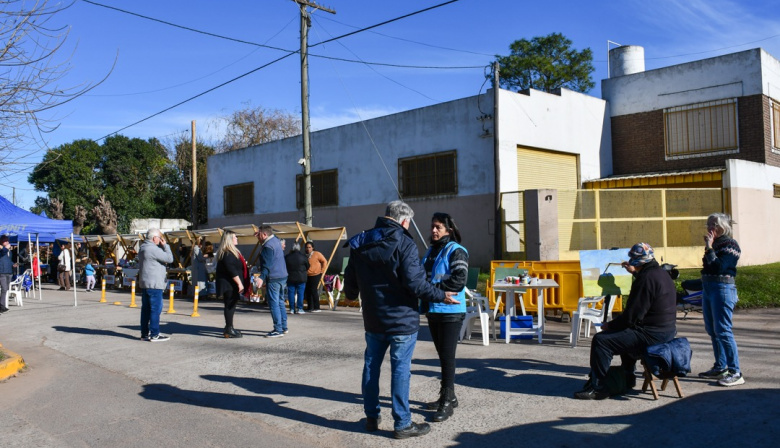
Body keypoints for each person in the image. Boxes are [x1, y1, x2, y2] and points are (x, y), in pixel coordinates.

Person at [344, 200, 459, 439]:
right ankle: (402, 423)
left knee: (371, 366)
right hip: (402, 319)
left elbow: (350, 281)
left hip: (373, 318)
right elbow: (416, 283)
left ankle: (371, 417)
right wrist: (441, 296)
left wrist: (352, 294)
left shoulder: (361, 240)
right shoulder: (405, 243)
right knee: (400, 370)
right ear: (404, 221)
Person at [574, 242, 677, 400]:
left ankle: (598, 387)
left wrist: (609, 325)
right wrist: (634, 272)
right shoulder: (660, 273)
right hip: (667, 331)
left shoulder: (646, 279)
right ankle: (629, 377)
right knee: (624, 334)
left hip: (652, 335)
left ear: (639, 261)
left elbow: (631, 317)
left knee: (601, 341)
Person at [420, 212, 469, 422]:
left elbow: (459, 280)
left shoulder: (456, 251)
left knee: (447, 356)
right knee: (442, 355)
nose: (433, 230)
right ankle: (449, 395)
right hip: (433, 309)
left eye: (438, 227)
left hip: (451, 311)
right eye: (432, 226)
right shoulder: (431, 251)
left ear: (448, 229)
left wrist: (432, 289)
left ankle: (447, 401)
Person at [698, 213, 744, 387]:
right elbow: (708, 267)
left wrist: (709, 248)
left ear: (722, 227)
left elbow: (719, 267)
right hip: (709, 288)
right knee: (712, 330)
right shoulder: (715, 245)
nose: (710, 228)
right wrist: (709, 248)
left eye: (713, 225)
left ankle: (735, 372)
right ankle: (720, 367)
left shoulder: (730, 244)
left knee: (723, 330)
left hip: (723, 288)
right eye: (708, 224)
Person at [137, 228, 174, 342]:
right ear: (154, 238)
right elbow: (170, 258)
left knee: (146, 310)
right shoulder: (153, 249)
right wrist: (165, 246)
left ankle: (144, 333)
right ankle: (154, 334)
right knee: (155, 309)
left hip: (145, 283)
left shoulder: (143, 247)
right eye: (159, 237)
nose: (161, 239)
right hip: (154, 284)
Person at [254, 225, 289, 337]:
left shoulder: (268, 246)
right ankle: (284, 327)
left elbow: (267, 265)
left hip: (274, 277)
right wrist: (260, 234)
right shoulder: (276, 240)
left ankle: (278, 329)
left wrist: (261, 278)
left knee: (274, 304)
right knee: (280, 302)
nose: (257, 237)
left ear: (265, 234)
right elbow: (272, 235)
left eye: (259, 234)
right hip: (282, 276)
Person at [216, 231, 248, 338]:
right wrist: (239, 283)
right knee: (230, 306)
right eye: (235, 237)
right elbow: (231, 270)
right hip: (229, 284)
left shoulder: (230, 252)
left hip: (230, 283)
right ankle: (229, 328)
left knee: (231, 305)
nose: (237, 238)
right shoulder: (228, 253)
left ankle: (228, 327)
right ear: (229, 239)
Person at [285, 242, 309, 314]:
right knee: (300, 293)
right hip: (301, 277)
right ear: (299, 248)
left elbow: (284, 266)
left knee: (291, 293)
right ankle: (300, 308)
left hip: (290, 277)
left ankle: (292, 308)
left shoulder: (287, 257)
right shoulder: (303, 257)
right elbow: (308, 266)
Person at [305, 241, 328, 313]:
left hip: (315, 274)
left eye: (309, 247)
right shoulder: (305, 255)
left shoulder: (317, 254)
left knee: (313, 290)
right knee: (308, 291)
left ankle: (317, 307)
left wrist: (322, 271)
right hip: (307, 275)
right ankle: (310, 307)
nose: (308, 249)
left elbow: (324, 261)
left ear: (312, 248)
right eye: (307, 247)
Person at [0, 235, 17, 314]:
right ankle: (1, 306)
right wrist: (6, 248)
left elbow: (9, 260)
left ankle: (2, 305)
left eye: (7, 241)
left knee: (6, 289)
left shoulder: (9, 251)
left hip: (9, 272)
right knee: (4, 289)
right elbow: (3, 252)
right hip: (2, 272)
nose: (7, 242)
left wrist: (13, 264)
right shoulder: (2, 250)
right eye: (5, 241)